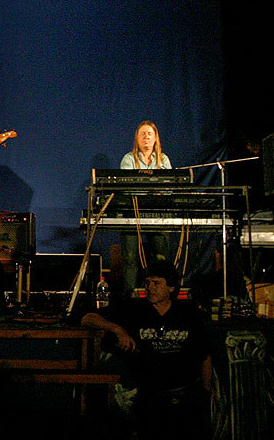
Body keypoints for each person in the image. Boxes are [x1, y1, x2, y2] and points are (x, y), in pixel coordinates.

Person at [80, 260, 212, 440]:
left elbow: (204, 355)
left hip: (182, 393)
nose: (150, 288)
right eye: (147, 283)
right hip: (148, 394)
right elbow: (87, 318)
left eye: (156, 283)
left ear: (171, 288)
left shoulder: (188, 313)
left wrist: (206, 392)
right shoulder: (134, 309)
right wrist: (118, 330)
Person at [119, 120, 171, 298]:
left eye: (150, 134)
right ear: (137, 138)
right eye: (143, 134)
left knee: (160, 257)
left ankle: (159, 296)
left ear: (156, 138)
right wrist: (151, 191)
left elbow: (170, 187)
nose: (146, 137)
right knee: (131, 258)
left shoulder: (163, 160)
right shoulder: (128, 159)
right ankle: (129, 298)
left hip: (158, 214)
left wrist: (153, 191)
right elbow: (126, 188)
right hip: (132, 213)